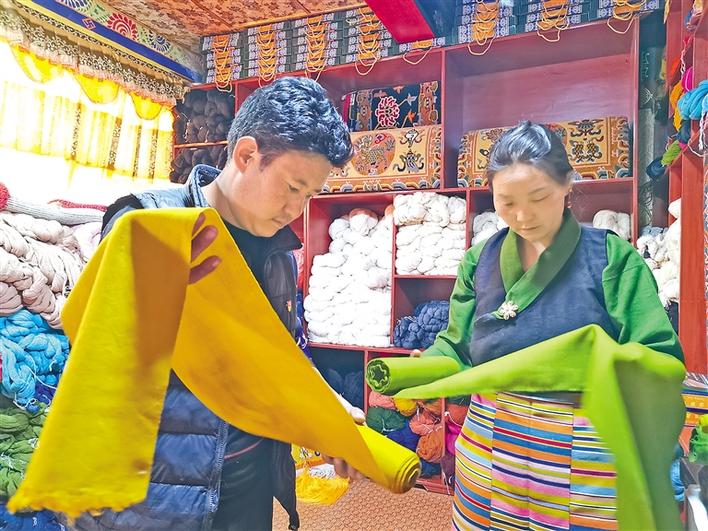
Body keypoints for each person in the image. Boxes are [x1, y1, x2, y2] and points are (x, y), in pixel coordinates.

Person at [71, 77, 363, 531]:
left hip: (248, 481)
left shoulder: (280, 252)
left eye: (309, 195)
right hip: (157, 494)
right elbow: (98, 361)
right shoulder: (151, 225)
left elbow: (282, 353)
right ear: (246, 156)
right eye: (292, 187)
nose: (297, 208)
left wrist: (324, 408)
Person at [413, 121, 683, 530]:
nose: (523, 216)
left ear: (567, 184)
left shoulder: (611, 258)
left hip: (584, 460)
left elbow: (659, 356)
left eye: (538, 197)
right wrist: (426, 366)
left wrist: (606, 360)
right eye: (506, 203)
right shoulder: (479, 260)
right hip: (491, 452)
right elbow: (456, 345)